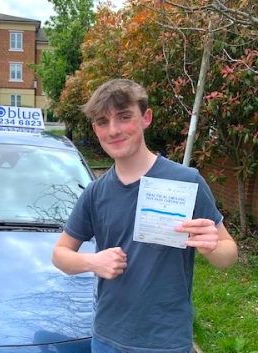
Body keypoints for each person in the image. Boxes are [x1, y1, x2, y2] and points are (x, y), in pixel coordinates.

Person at [52, 79, 238, 353]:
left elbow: (229, 254)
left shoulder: (186, 182)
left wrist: (212, 247)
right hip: (107, 339)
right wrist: (92, 261)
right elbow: (60, 254)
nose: (113, 130)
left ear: (146, 118)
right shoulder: (95, 192)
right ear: (95, 129)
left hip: (165, 341)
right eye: (103, 121)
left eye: (124, 117)